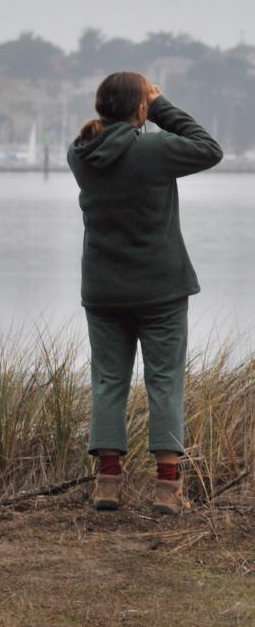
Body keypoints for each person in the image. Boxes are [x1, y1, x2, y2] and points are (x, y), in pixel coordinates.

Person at [68, 73, 222, 515]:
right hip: (161, 288)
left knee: (109, 381)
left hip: (103, 289)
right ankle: (166, 490)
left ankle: (107, 484)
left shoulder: (79, 153)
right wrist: (160, 107)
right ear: (139, 109)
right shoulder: (154, 149)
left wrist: (141, 109)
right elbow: (209, 148)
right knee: (165, 382)